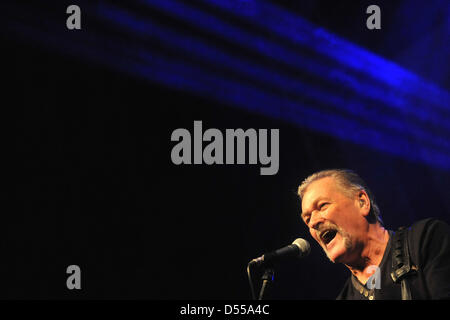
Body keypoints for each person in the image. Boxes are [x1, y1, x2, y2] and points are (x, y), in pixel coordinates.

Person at [297, 169, 450, 300]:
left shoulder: (425, 239)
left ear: (362, 202)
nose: (313, 223)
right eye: (307, 218)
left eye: (322, 206)